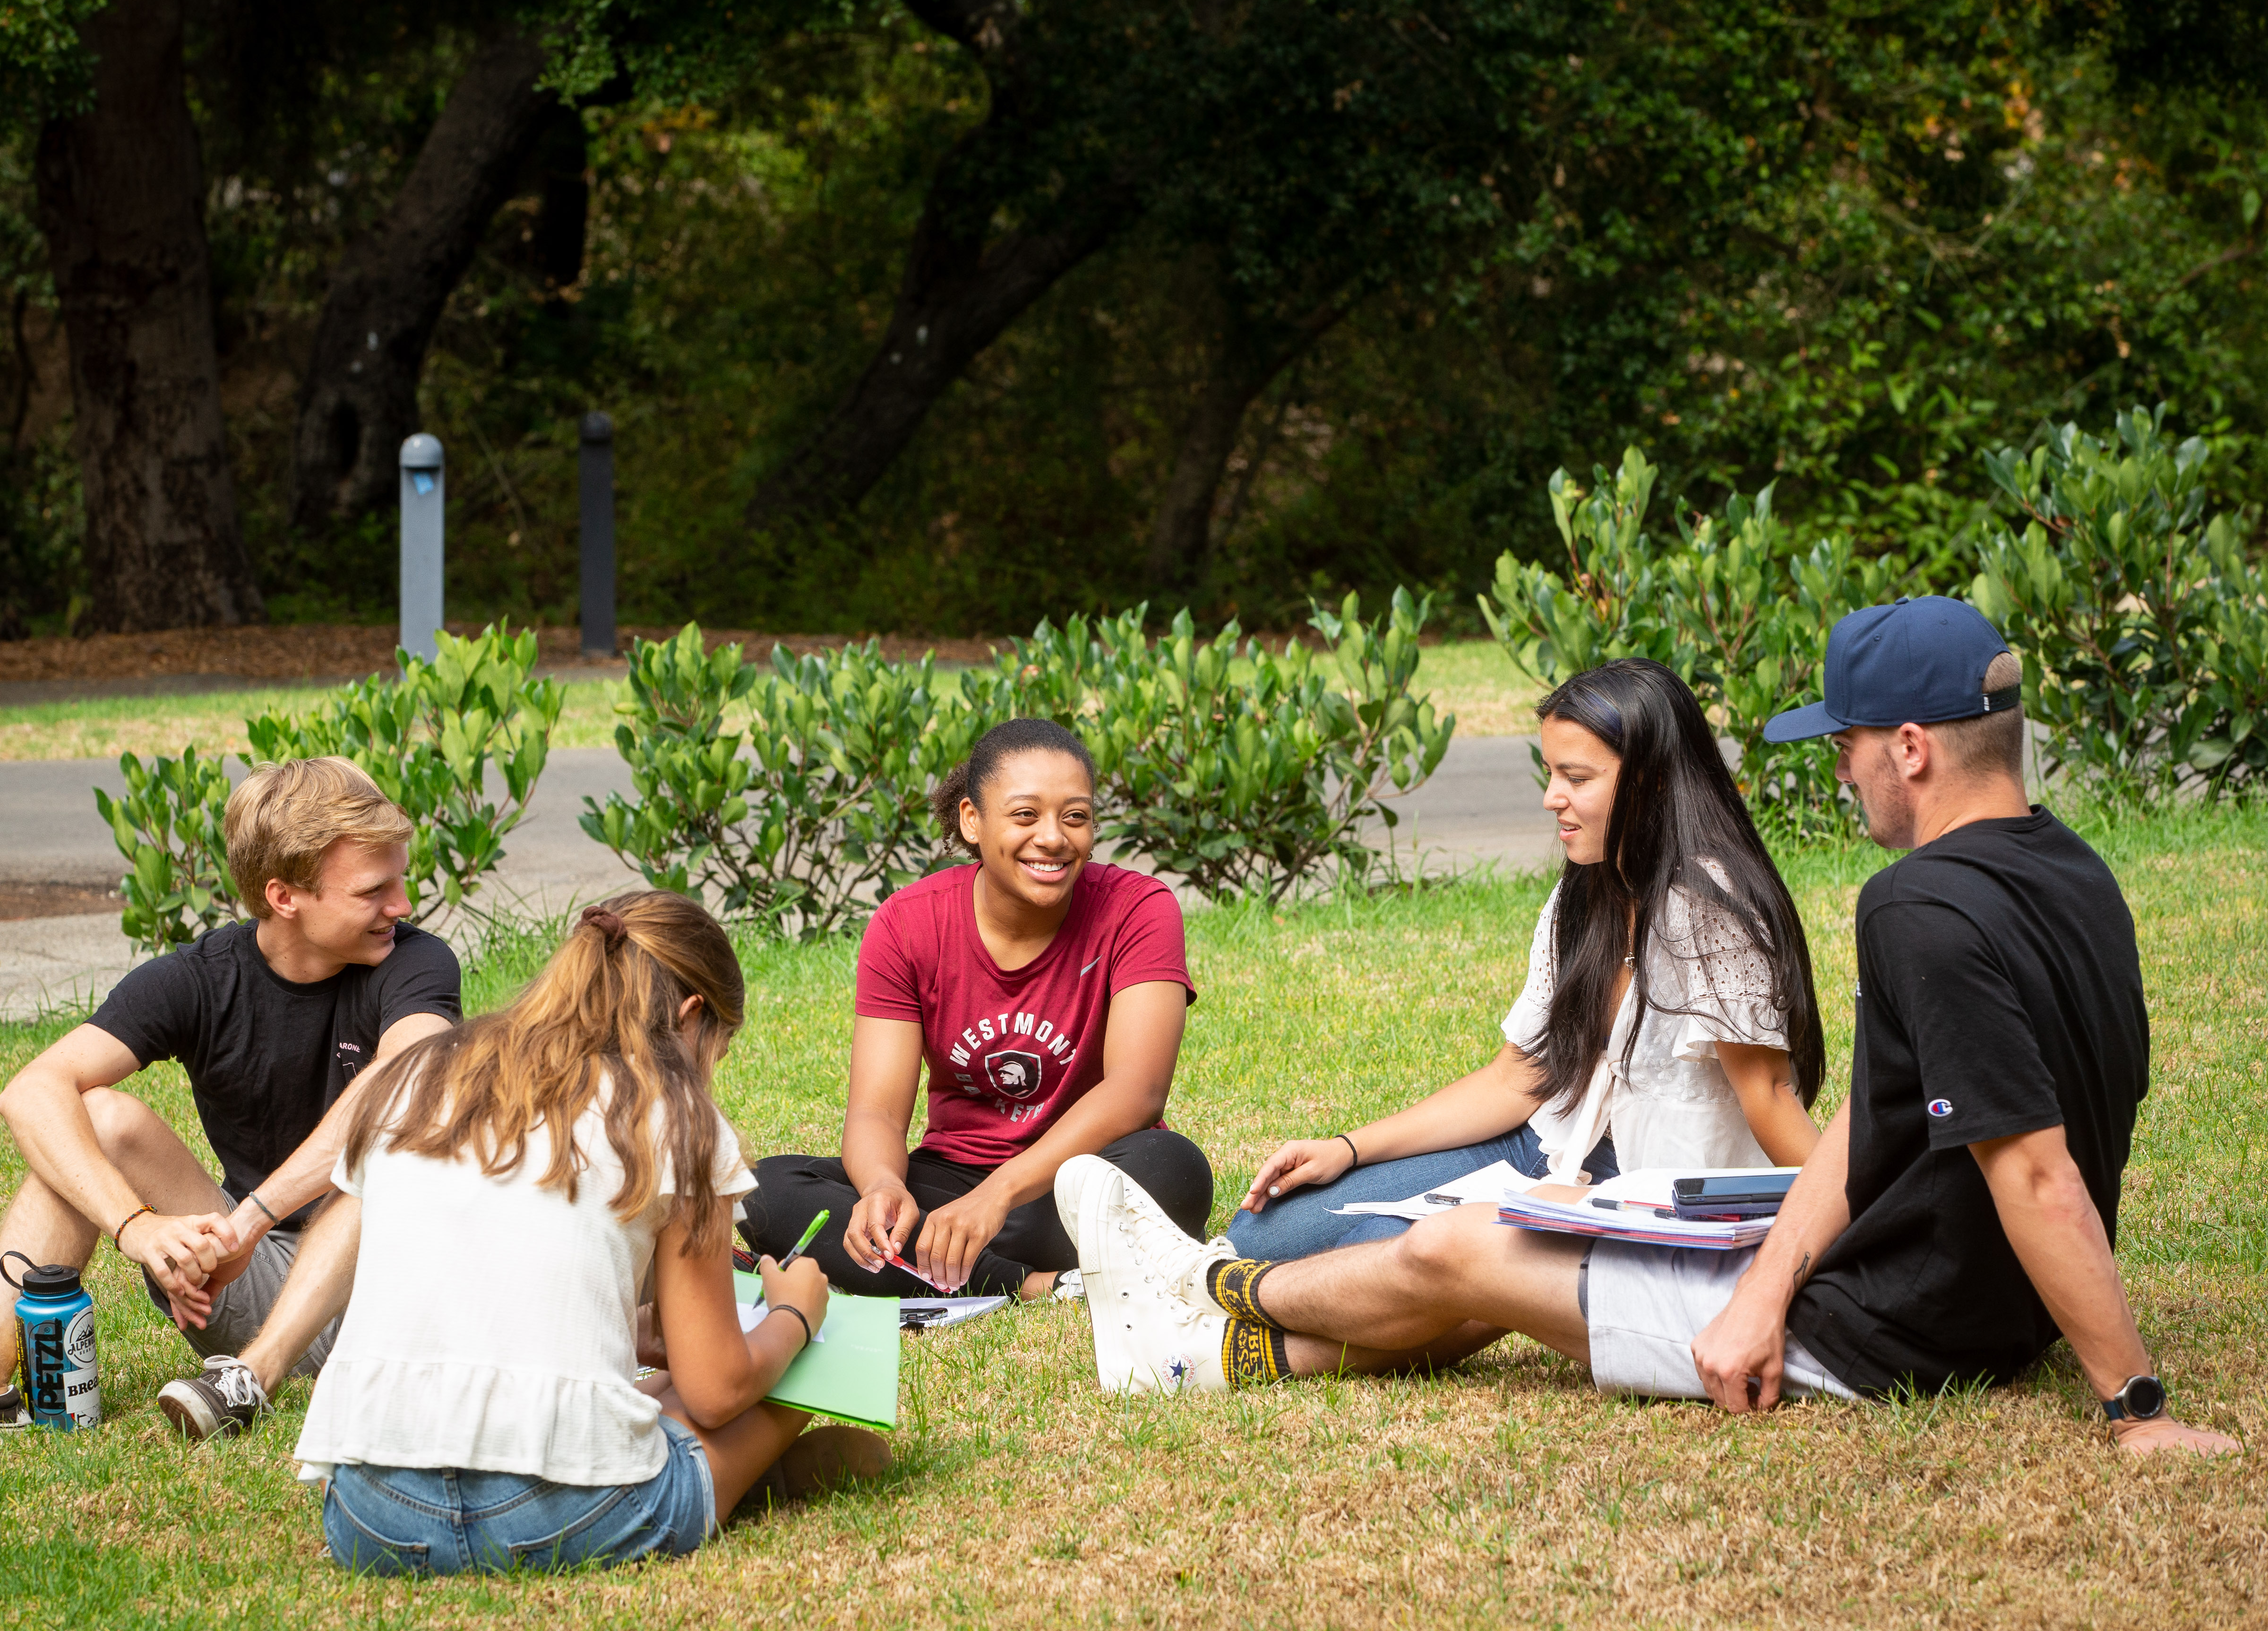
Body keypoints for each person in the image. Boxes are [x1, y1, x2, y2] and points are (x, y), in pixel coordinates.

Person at [1053, 597, 2240, 1458]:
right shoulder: (2073, 869)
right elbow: (1875, 1132)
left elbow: (2032, 1164)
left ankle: (1206, 1283)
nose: (1839, 771)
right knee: (1480, 1264)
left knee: (1459, 1252)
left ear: (1911, 749)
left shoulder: (1915, 905)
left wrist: (2134, 1402)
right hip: (1915, 1292)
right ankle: (1196, 1353)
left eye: (1845, 746)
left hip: (1895, 1331)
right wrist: (1778, 1271)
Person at [0, 758, 460, 1455]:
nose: (403, 906)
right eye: (374, 890)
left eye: (400, 881)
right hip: (239, 1282)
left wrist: (252, 1219)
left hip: (388, 1295)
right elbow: (31, 1091)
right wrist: (137, 1229)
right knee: (99, 1116)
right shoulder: (201, 979)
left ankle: (255, 1377)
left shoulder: (417, 964)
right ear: (285, 896)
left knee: (376, 1161)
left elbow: (404, 1081)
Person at [292, 891, 890, 1574]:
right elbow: (717, 1389)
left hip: (371, 1518)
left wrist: (626, 1327)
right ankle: (742, 1482)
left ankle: (726, 1479)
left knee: (655, 1388)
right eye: (718, 1051)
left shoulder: (415, 1076)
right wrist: (794, 1315)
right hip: (563, 1518)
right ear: (692, 1017)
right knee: (787, 1378)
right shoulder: (676, 1114)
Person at [1228, 657, 1823, 1263]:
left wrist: (1848, 1241)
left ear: (1654, 781)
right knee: (1261, 1235)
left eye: (1577, 778)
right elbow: (1517, 1078)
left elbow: (1770, 1094)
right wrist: (1346, 1148)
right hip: (1554, 1142)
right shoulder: (1585, 891)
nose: (1550, 799)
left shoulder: (1710, 909)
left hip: (1644, 1186)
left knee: (1371, 1252)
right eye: (1550, 772)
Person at [745, 718, 1212, 1301]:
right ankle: (1028, 1284)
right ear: (973, 819)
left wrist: (998, 1197)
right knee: (762, 1191)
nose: (1053, 838)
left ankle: (949, 1264)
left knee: (1172, 1170)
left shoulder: (1139, 909)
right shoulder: (908, 923)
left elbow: (1136, 1092)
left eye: (1075, 817)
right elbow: (877, 1113)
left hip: (1077, 1178)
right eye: (1025, 816)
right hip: (952, 1182)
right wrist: (883, 1186)